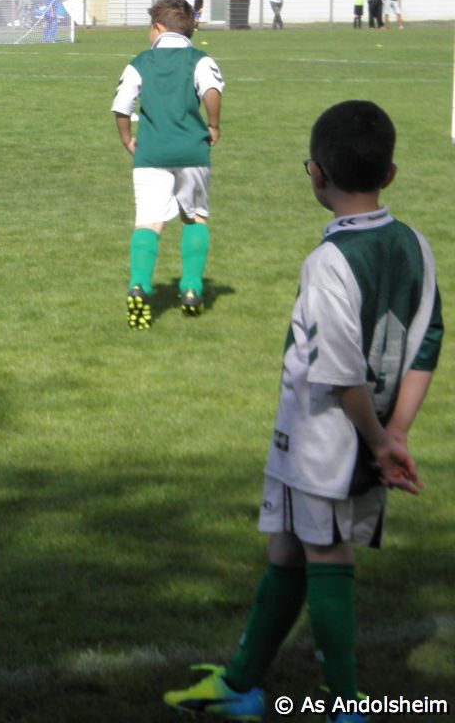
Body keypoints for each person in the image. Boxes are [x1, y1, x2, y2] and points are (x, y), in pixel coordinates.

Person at [164, 99, 442, 723]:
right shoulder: (416, 245)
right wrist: (397, 430)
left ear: (316, 174)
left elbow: (341, 374)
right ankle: (240, 684)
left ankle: (347, 706)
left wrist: (379, 442)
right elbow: (427, 341)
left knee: (327, 554)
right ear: (390, 174)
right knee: (288, 549)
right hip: (351, 434)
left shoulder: (328, 265)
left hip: (326, 440)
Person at [111, 0, 224, 328]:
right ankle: (191, 289)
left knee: (148, 222)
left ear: (158, 28)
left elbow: (122, 105)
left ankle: (139, 285)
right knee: (195, 217)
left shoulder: (141, 62)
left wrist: (126, 139)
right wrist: (213, 124)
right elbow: (212, 91)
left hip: (151, 153)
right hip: (192, 151)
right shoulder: (200, 60)